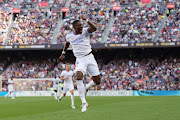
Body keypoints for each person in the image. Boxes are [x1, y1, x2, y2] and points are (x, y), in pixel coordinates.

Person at [59, 15, 101, 112]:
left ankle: (86, 88)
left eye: (82, 26)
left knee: (97, 81)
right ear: (74, 28)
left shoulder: (85, 31)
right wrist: (63, 53)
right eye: (79, 27)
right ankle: (83, 102)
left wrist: (86, 20)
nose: (81, 28)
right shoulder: (69, 36)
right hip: (80, 59)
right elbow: (67, 43)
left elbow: (94, 28)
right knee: (78, 75)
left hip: (90, 57)